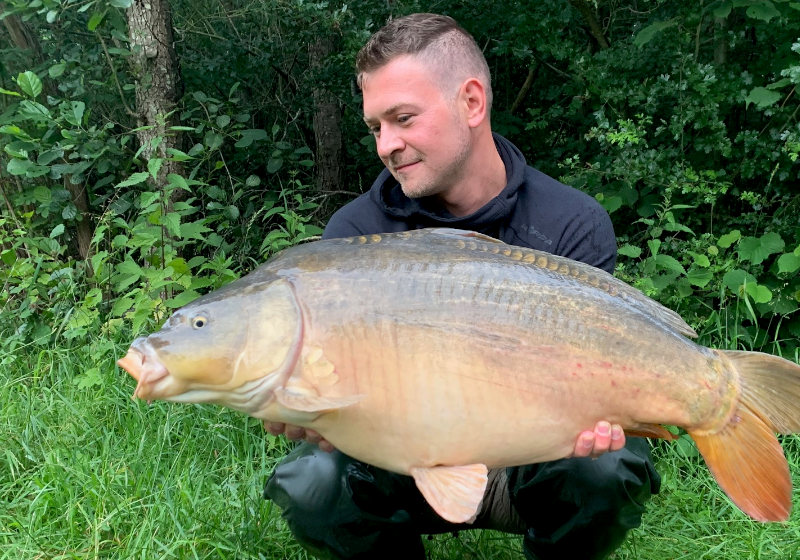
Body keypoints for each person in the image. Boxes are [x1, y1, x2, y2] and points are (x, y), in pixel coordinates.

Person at [262, 13, 659, 560]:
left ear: (471, 102)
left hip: (532, 460)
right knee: (311, 480)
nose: (386, 145)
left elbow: (593, 369)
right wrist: (320, 412)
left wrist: (608, 411)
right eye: (376, 127)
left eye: (403, 118)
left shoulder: (571, 222)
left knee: (607, 466)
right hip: (403, 464)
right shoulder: (353, 239)